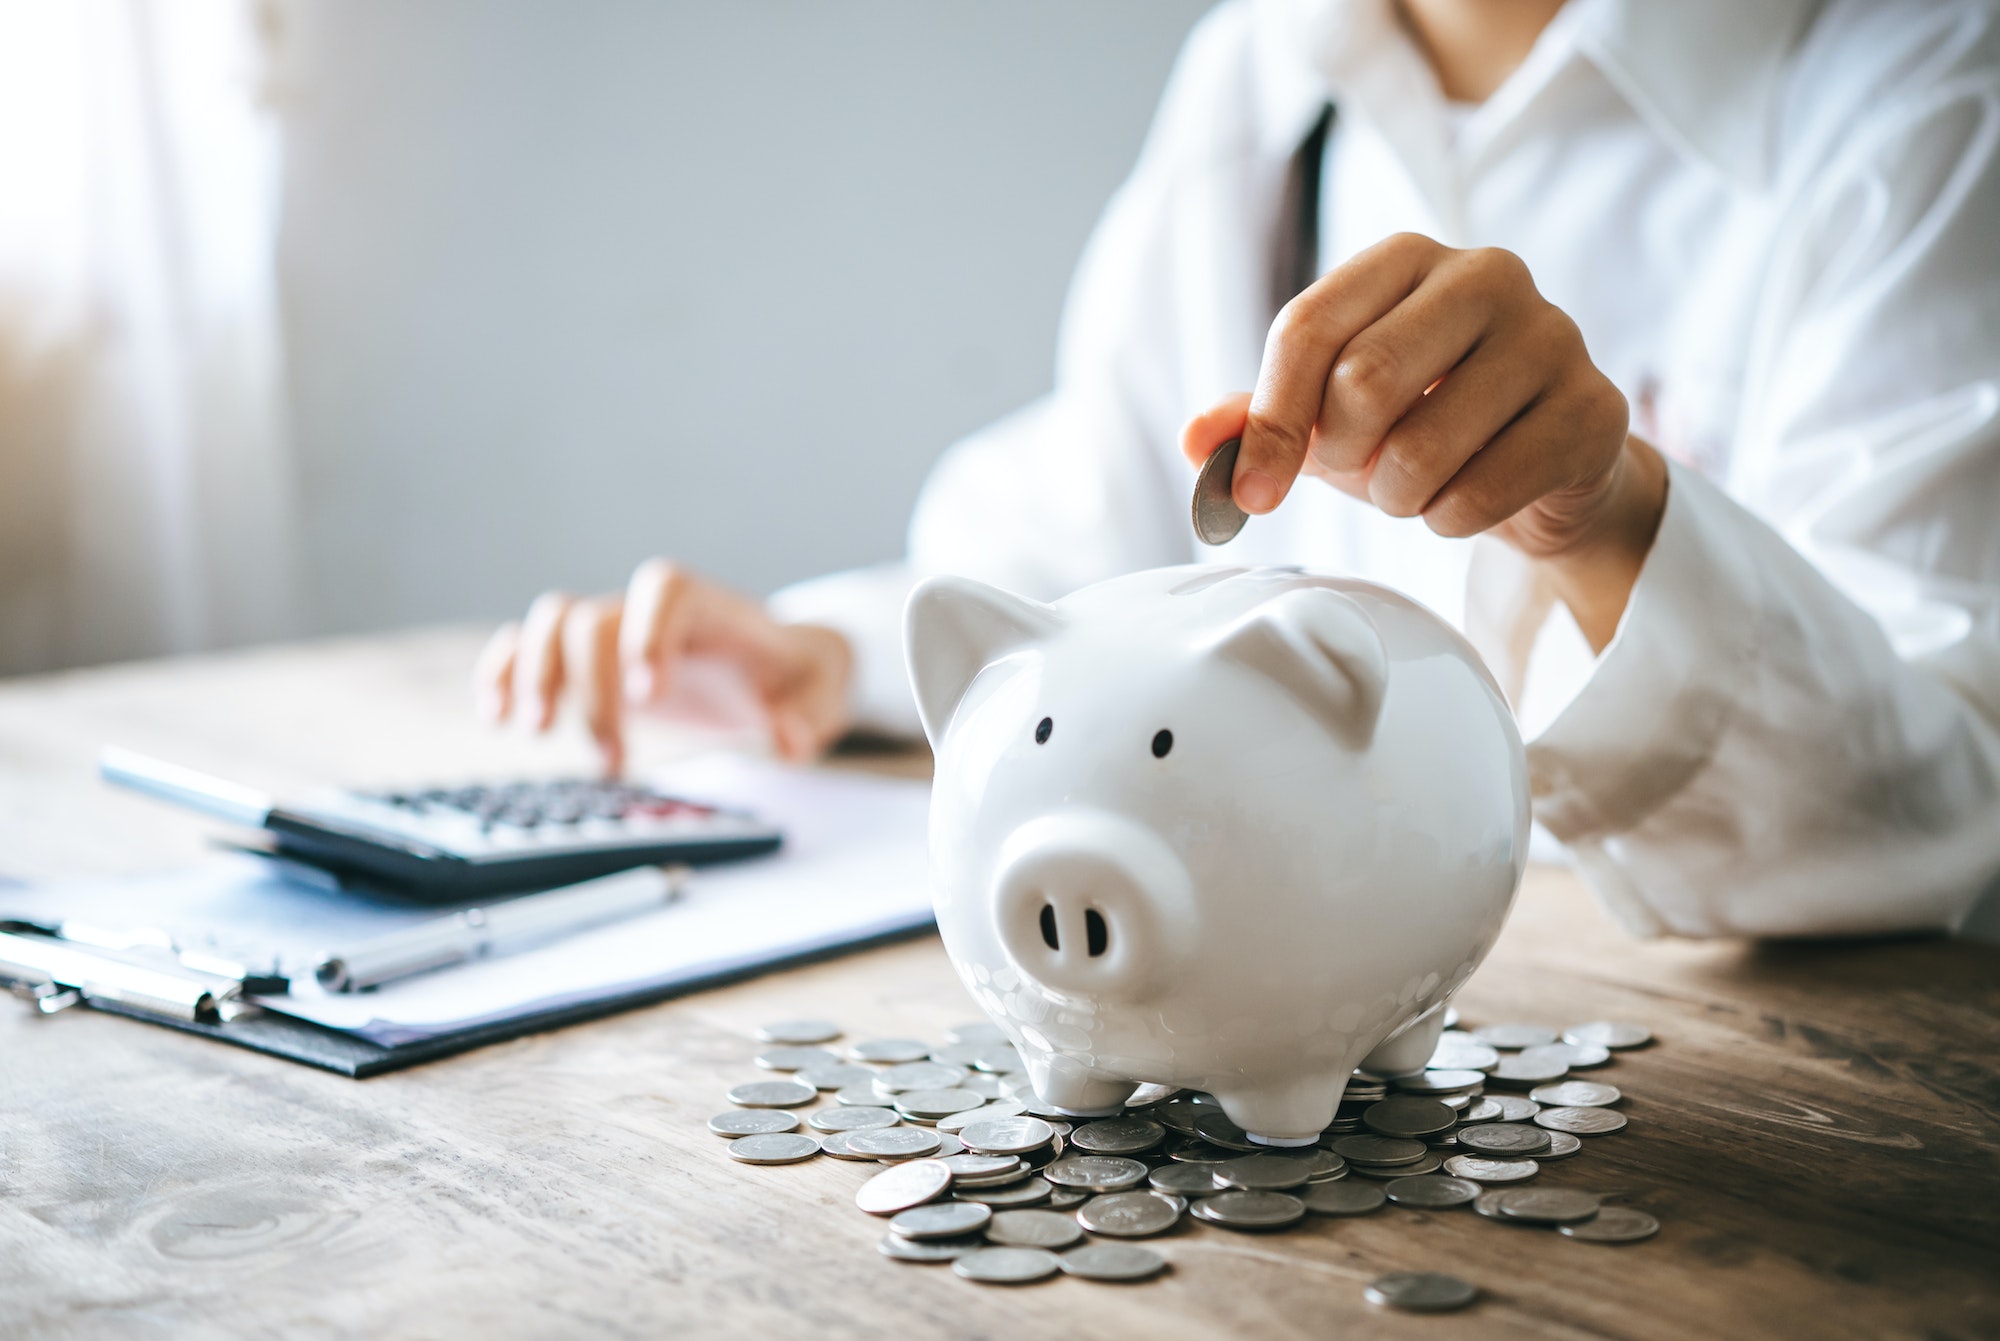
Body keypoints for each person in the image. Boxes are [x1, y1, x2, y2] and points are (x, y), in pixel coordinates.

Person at [475, 0, 2000, 940]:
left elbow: (1937, 813)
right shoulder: (1263, 72)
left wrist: (1611, 521)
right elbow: (1103, 522)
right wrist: (833, 653)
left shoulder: (1931, 87)